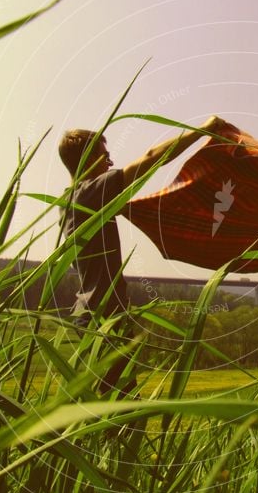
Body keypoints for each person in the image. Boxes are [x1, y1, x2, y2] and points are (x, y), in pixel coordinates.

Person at [57, 116, 224, 393]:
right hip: (103, 316)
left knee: (111, 398)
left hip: (92, 312)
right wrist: (202, 130)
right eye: (105, 157)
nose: (110, 164)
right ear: (88, 159)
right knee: (120, 404)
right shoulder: (90, 193)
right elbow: (151, 158)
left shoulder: (68, 200)